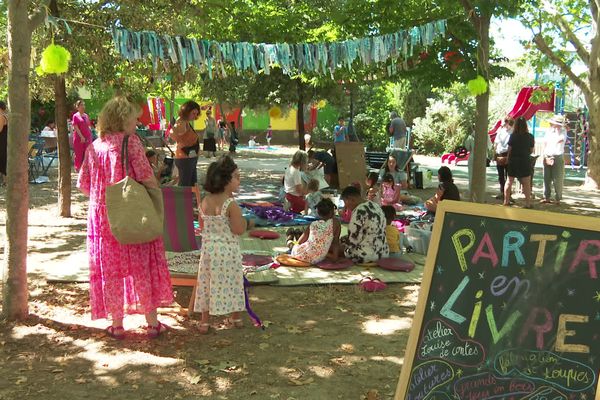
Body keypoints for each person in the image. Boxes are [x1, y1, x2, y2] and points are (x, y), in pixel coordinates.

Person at [77, 96, 173, 340]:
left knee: (111, 271)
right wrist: (155, 193)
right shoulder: (131, 143)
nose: (136, 121)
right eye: (132, 117)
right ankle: (152, 323)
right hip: (131, 212)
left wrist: (104, 196)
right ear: (122, 119)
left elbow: (83, 184)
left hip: (102, 217)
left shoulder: (94, 146)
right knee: (141, 266)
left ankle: (117, 324)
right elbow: (145, 175)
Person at [194, 155, 248, 334]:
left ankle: (204, 321)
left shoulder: (205, 201)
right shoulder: (231, 204)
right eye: (237, 177)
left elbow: (202, 227)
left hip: (209, 251)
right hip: (228, 252)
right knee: (233, 283)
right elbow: (239, 229)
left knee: (206, 284)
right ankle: (236, 317)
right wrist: (247, 223)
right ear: (226, 181)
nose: (239, 181)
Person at [339, 185, 389, 263]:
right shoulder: (376, 206)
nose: (346, 206)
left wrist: (339, 243)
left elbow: (353, 241)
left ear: (351, 199)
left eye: (346, 202)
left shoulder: (359, 211)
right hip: (383, 252)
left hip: (366, 256)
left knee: (337, 247)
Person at [291, 198, 340, 264]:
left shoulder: (312, 224)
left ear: (318, 212)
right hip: (318, 258)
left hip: (301, 255)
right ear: (332, 211)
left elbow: (300, 241)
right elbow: (335, 242)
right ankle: (292, 237)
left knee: (295, 244)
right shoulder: (336, 223)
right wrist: (335, 257)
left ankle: (290, 239)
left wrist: (296, 246)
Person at [504, 117, 535, 209]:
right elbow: (531, 150)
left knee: (509, 181)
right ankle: (527, 203)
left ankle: (506, 201)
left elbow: (509, 149)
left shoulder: (513, 136)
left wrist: (508, 159)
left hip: (514, 160)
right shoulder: (530, 136)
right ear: (525, 125)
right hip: (525, 160)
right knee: (526, 182)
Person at [169, 101, 200, 187]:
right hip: (185, 158)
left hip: (189, 158)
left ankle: (190, 200)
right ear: (187, 111)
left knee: (191, 186)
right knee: (185, 187)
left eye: (196, 113)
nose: (195, 116)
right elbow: (173, 134)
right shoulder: (181, 122)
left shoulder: (185, 122)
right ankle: (184, 200)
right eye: (193, 113)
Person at [541, 115, 566, 205]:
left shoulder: (563, 131)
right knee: (546, 177)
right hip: (547, 154)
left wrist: (560, 130)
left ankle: (558, 198)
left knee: (557, 178)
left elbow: (561, 140)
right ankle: (546, 197)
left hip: (557, 156)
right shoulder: (548, 131)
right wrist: (544, 154)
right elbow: (545, 142)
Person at [493, 117, 513, 200]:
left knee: (509, 175)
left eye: (505, 123)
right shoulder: (500, 132)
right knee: (501, 175)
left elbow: (511, 146)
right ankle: (502, 192)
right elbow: (496, 143)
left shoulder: (513, 132)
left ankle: (508, 194)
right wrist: (494, 154)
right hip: (500, 154)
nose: (504, 125)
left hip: (509, 154)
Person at [71, 99, 94, 171]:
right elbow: (76, 127)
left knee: (88, 152)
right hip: (79, 137)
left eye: (84, 105)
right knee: (79, 153)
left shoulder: (86, 115)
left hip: (87, 136)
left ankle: (87, 167)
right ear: (77, 107)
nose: (83, 106)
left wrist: (90, 133)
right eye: (81, 105)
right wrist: (81, 137)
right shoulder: (75, 116)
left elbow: (88, 125)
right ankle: (78, 168)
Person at [0, 101, 8, 185]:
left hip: (2, 140)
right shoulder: (5, 115)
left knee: (2, 159)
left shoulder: (1, 116)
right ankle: (5, 180)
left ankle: (5, 180)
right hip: (4, 140)